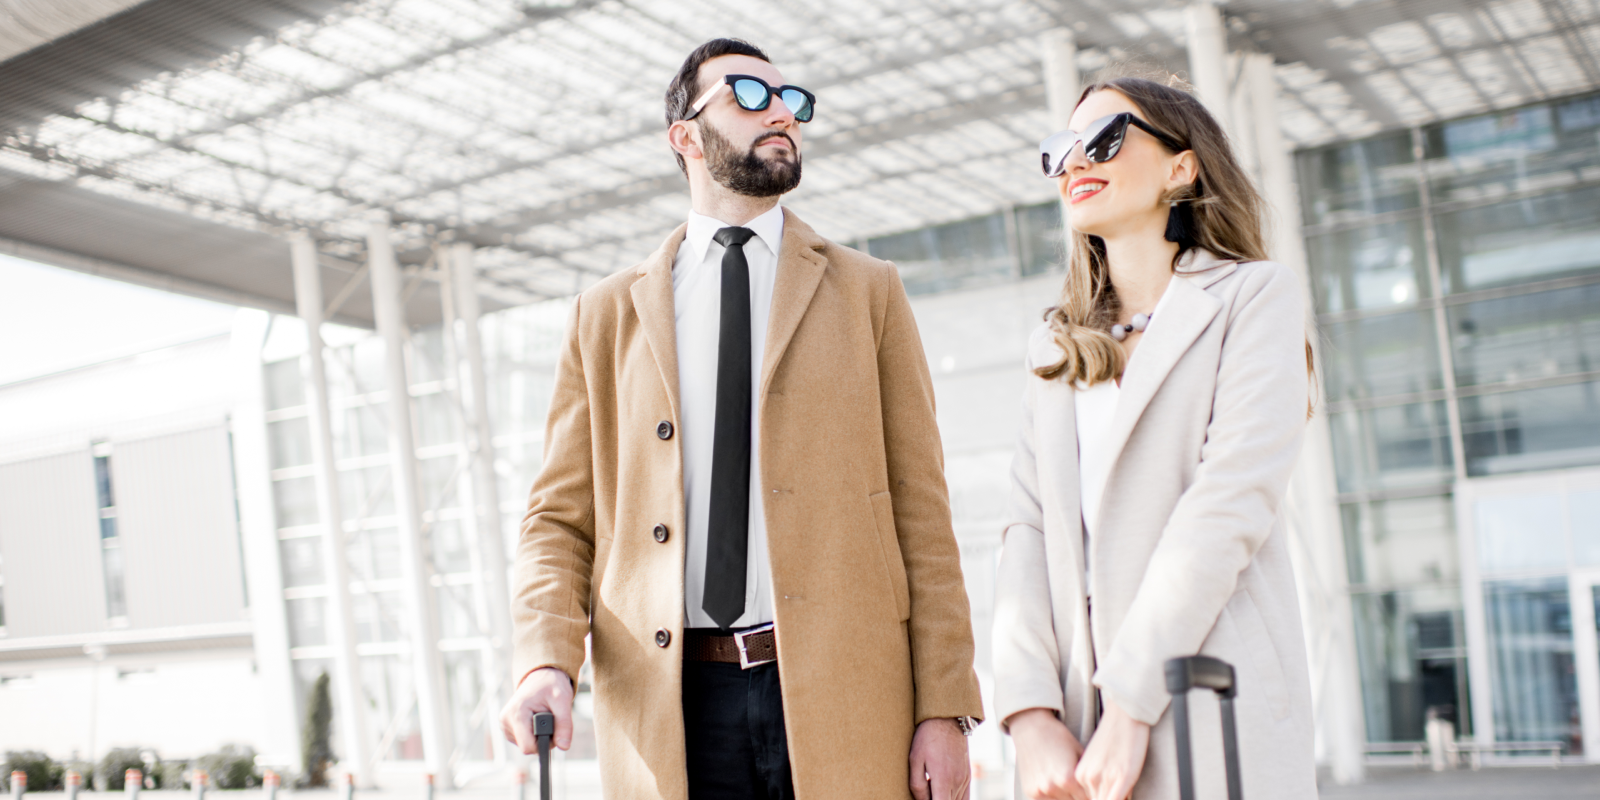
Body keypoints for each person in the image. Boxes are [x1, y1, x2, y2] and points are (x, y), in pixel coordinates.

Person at [498, 38, 984, 800]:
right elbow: (559, 520)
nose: (783, 112)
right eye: (750, 96)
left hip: (847, 698)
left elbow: (922, 510)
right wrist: (543, 659)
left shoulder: (869, 293)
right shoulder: (605, 316)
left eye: (792, 100)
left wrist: (947, 707)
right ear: (684, 136)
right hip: (669, 709)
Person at [992, 75, 1318, 800]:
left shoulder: (1255, 297)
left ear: (1182, 166)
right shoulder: (1056, 343)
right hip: (1072, 735)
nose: (1075, 163)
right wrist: (1028, 712)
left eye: (1105, 139)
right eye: (1059, 151)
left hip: (1204, 693)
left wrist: (1132, 704)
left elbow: (1230, 501)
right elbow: (1026, 531)